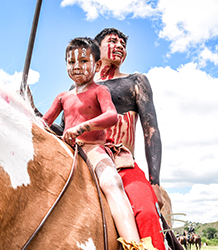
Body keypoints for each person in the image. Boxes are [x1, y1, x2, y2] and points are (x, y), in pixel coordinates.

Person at [41, 37, 154, 249]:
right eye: (71, 62)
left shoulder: (100, 91)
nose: (77, 67)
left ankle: (134, 245)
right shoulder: (63, 97)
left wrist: (81, 128)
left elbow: (111, 115)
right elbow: (44, 123)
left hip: (93, 148)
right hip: (66, 150)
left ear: (97, 64)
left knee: (111, 182)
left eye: (84, 61)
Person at [93, 28, 168, 250]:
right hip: (85, 160)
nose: (120, 46)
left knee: (146, 212)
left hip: (122, 164)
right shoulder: (79, 87)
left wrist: (154, 182)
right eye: (113, 41)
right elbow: (63, 128)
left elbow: (151, 131)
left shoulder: (136, 81)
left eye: (123, 44)